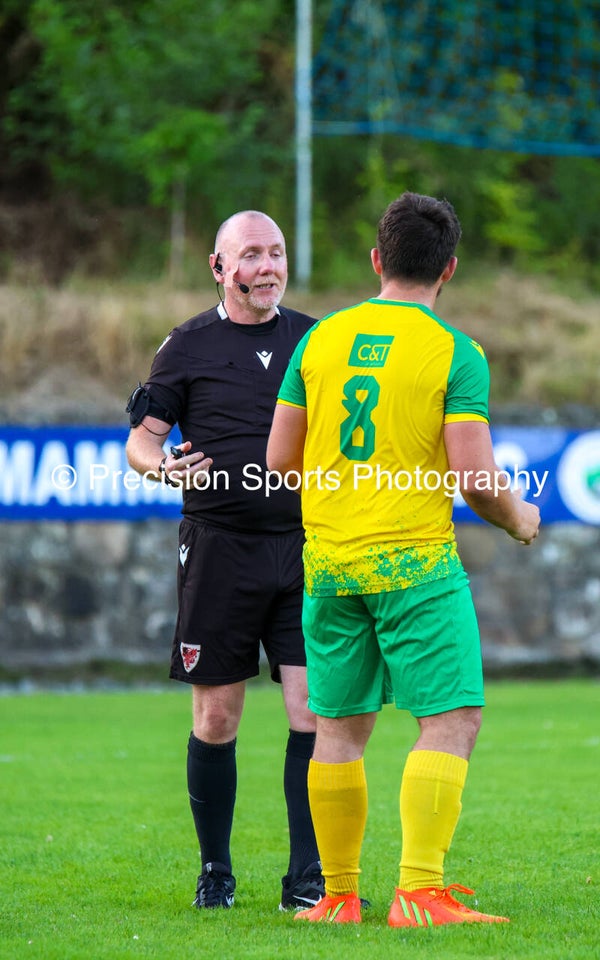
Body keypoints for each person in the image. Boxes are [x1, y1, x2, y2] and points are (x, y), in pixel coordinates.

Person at [266, 191, 540, 927]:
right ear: (448, 269)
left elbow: (280, 460)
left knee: (338, 729)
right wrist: (520, 518)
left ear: (376, 259)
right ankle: (420, 891)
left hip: (328, 565)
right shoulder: (456, 351)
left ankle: (337, 896)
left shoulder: (317, 341)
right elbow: (477, 482)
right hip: (414, 567)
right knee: (451, 719)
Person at [125, 210, 323, 912]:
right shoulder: (184, 347)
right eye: (250, 256)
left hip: (306, 551)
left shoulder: (316, 339)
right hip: (218, 551)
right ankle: (216, 872)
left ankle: (307, 881)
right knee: (217, 719)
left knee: (312, 711)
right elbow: (141, 443)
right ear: (219, 268)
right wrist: (166, 468)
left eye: (275, 253)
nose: (266, 267)